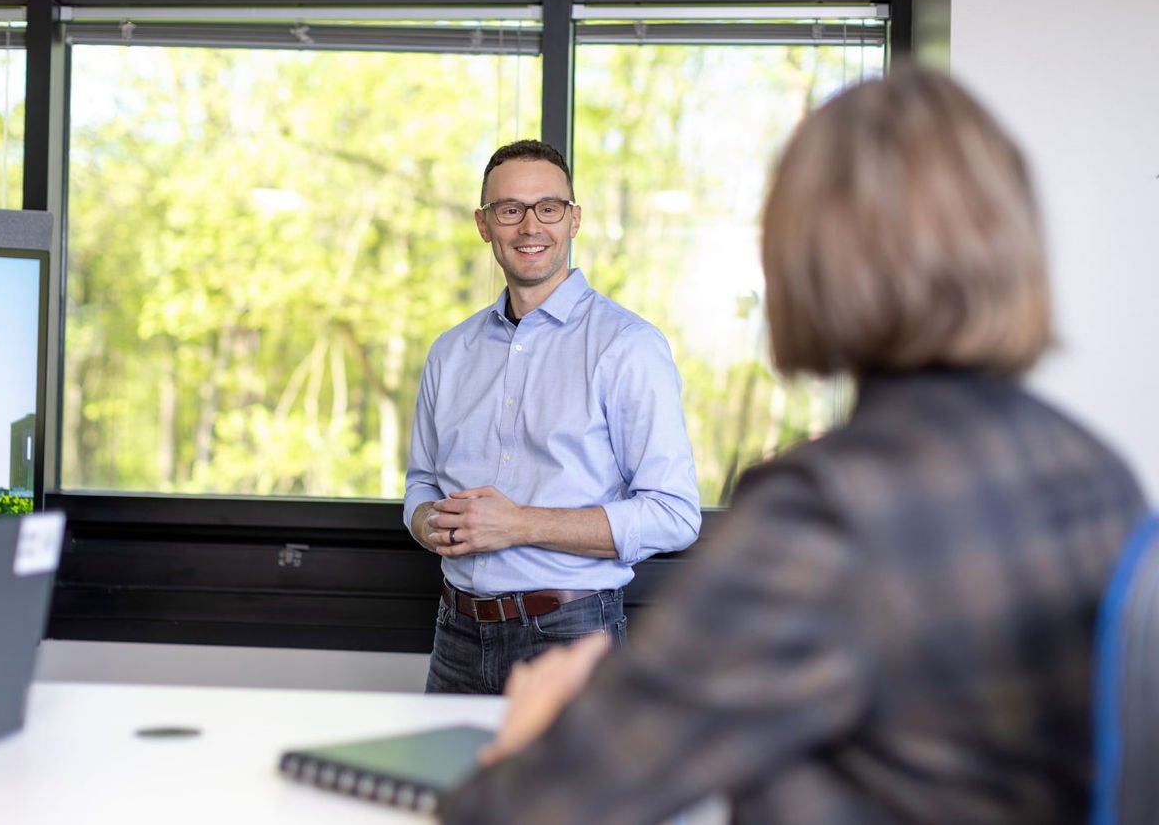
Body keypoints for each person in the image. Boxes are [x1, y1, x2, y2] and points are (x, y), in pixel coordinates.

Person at [439, 66, 1150, 823]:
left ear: (807, 262)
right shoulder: (1102, 480)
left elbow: (535, 808)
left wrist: (534, 732)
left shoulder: (826, 510)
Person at [403, 139, 702, 696]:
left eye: (549, 207)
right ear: (484, 224)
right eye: (509, 210)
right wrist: (424, 522)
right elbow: (421, 482)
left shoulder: (628, 346)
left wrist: (520, 525)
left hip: (571, 636)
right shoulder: (450, 352)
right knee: (443, 787)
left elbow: (674, 515)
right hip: (455, 634)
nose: (530, 226)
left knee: (570, 790)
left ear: (574, 218)